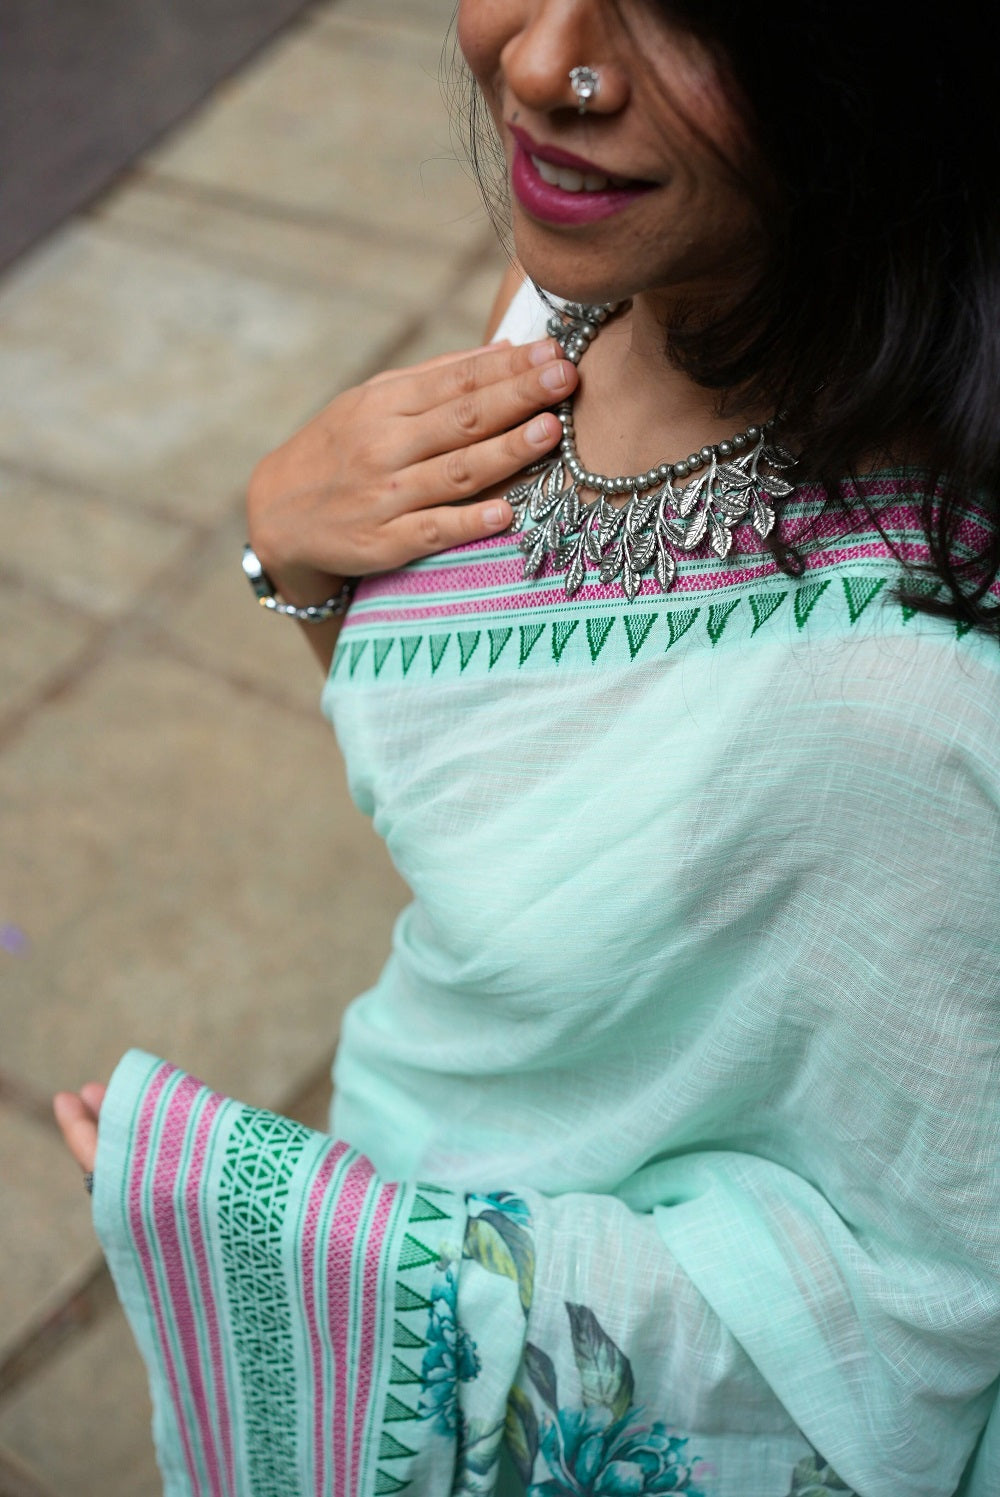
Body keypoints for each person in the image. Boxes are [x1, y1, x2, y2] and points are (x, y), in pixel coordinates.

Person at [55, 3, 1000, 1494]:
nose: (545, 60)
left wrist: (338, 1252)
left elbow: (915, 1318)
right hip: (414, 1125)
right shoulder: (594, 283)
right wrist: (297, 556)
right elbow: (482, 819)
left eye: (686, 9)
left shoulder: (908, 710)